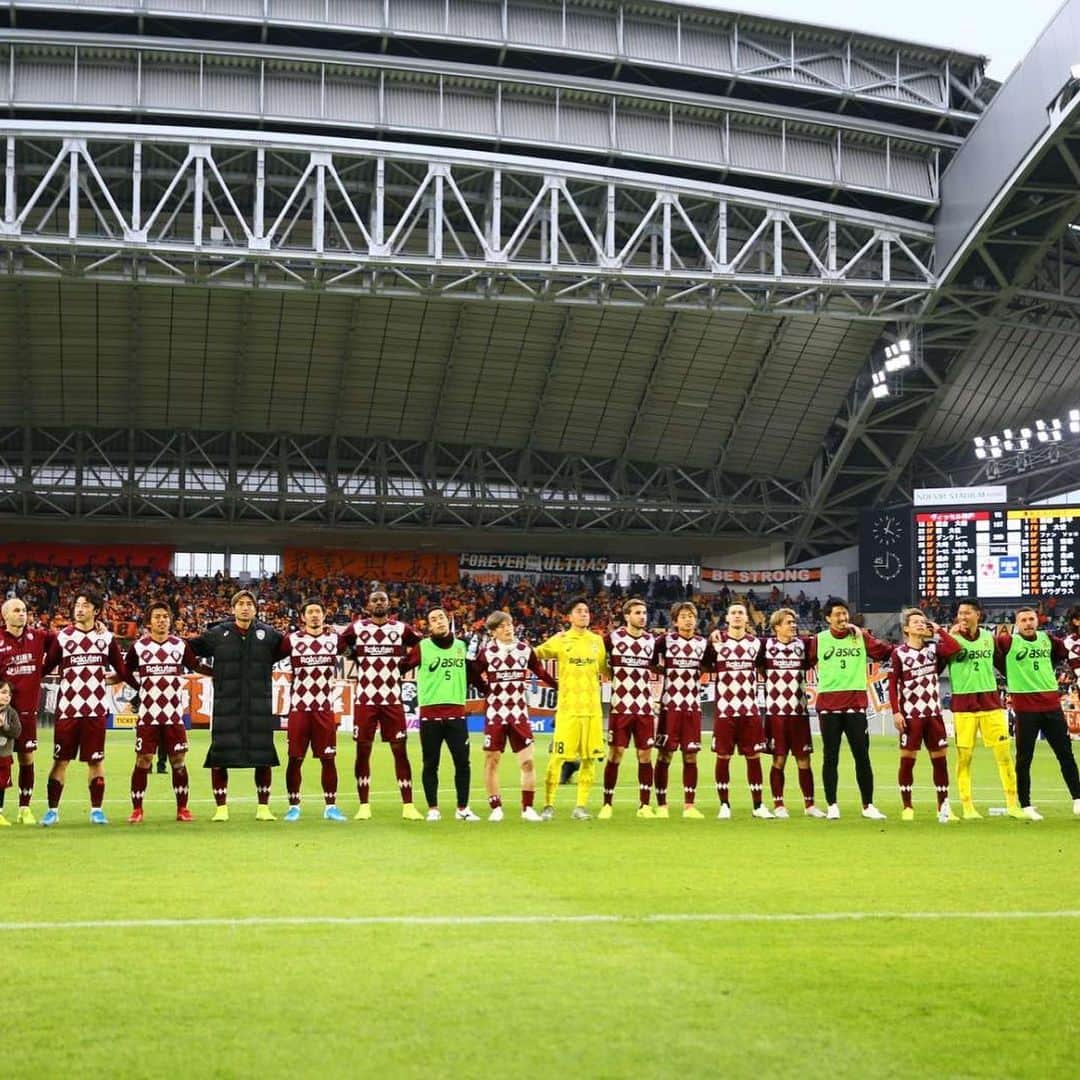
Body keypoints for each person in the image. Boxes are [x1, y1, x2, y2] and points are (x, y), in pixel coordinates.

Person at [189, 589, 284, 822]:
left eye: (249, 604)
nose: (245, 607)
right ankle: (221, 808)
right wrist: (203, 670)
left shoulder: (269, 634)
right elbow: (185, 649)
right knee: (220, 757)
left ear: (255, 609)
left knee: (263, 756)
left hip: (259, 706)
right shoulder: (217, 634)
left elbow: (292, 647)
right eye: (240, 603)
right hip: (226, 705)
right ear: (233, 609)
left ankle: (263, 807)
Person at [41, 588, 127, 827]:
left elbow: (121, 670)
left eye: (85, 604)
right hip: (68, 709)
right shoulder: (64, 636)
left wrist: (111, 679)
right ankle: (52, 810)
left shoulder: (106, 638)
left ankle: (96, 810)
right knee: (60, 761)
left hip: (95, 710)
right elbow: (46, 668)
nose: (79, 608)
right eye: (77, 604)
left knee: (95, 761)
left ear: (96, 611)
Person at [338, 589, 423, 821]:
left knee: (399, 750)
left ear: (389, 603)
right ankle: (364, 804)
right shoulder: (357, 627)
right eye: (374, 600)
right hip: (366, 698)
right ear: (368, 605)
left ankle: (408, 805)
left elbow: (422, 647)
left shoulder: (400, 628)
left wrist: (406, 665)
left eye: (382, 600)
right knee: (363, 750)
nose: (378, 603)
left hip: (392, 699)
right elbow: (339, 643)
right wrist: (352, 655)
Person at [807, 598, 890, 820]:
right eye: (837, 614)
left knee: (862, 756)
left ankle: (868, 805)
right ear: (827, 618)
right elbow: (799, 659)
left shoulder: (860, 637)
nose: (843, 618)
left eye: (845, 614)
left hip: (855, 705)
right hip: (829, 706)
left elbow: (885, 652)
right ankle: (832, 805)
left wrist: (864, 634)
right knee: (830, 757)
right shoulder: (818, 640)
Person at [995, 607, 1080, 821]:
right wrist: (1010, 673)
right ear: (1016, 623)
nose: (1028, 623)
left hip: (1051, 704)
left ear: (1037, 621)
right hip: (1025, 709)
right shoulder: (1008, 642)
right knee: (1024, 758)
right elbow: (993, 656)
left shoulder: (1048, 639)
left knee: (1066, 754)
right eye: (1023, 620)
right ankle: (1026, 804)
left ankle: (1078, 799)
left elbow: (1062, 654)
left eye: (1031, 619)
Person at [124, 600, 205, 823]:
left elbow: (196, 666)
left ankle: (182, 809)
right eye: (157, 617)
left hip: (173, 714)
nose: (162, 620)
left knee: (178, 760)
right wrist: (135, 687)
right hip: (148, 715)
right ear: (149, 622)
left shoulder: (180, 645)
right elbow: (125, 671)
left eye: (165, 617)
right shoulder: (139, 647)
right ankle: (137, 809)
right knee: (144, 760)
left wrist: (220, 673)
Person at [473, 611, 553, 821]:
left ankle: (527, 808)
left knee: (528, 763)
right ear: (492, 632)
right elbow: (472, 673)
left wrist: (558, 685)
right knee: (492, 761)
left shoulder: (524, 650)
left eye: (509, 624)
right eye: (502, 626)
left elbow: (541, 672)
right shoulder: (487, 652)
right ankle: (496, 807)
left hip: (519, 713)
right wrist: (485, 689)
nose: (508, 629)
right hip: (496, 714)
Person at [402, 608, 480, 821]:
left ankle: (463, 808)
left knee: (463, 763)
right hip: (430, 715)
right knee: (430, 763)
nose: (439, 621)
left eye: (442, 617)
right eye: (434, 619)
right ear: (429, 626)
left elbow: (473, 674)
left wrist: (490, 692)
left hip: (457, 713)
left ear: (449, 620)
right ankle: (433, 808)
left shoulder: (462, 646)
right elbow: (401, 666)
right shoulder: (423, 647)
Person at [946, 598, 1021, 819]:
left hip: (991, 704)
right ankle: (968, 807)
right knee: (964, 758)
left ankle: (1012, 804)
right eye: (960, 613)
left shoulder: (989, 638)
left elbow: (1003, 665)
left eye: (968, 612)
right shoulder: (952, 639)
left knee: (1005, 755)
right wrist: (949, 637)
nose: (963, 617)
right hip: (963, 707)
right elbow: (939, 663)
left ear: (978, 615)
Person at [534, 596, 608, 820]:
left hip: (592, 711)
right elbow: (533, 655)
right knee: (557, 758)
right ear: (569, 616)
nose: (584, 614)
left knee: (589, 759)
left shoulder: (598, 641)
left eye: (586, 610)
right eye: (578, 611)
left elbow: (606, 671)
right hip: (568, 710)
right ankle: (548, 806)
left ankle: (581, 807)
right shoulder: (560, 640)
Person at [889, 609, 962, 823]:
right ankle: (907, 806)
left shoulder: (933, 649)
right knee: (907, 761)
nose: (921, 625)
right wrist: (896, 712)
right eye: (916, 622)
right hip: (911, 715)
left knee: (940, 762)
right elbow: (892, 686)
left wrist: (939, 630)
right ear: (906, 628)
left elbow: (955, 648)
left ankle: (943, 806)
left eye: (924, 622)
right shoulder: (899, 653)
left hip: (933, 714)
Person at [279, 599, 346, 822]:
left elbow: (357, 654)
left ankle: (331, 807)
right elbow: (269, 658)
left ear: (324, 615)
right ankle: (294, 806)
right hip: (299, 708)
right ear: (303, 616)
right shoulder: (292, 640)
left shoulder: (335, 640)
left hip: (324, 708)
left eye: (318, 611)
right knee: (295, 758)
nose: (315, 615)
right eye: (310, 612)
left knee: (328, 759)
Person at [652, 601, 715, 819]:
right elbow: (650, 659)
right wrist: (661, 669)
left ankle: (689, 805)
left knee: (691, 757)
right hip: (670, 705)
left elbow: (710, 664)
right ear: (675, 620)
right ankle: (662, 805)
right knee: (665, 755)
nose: (688, 619)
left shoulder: (702, 643)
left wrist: (699, 671)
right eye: (684, 616)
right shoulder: (666, 640)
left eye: (691, 616)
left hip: (692, 706)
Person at [760, 608, 824, 818]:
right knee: (778, 760)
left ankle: (810, 805)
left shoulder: (803, 645)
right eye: (789, 622)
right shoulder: (765, 645)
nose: (794, 625)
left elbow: (823, 642)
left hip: (799, 713)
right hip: (775, 713)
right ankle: (779, 805)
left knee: (804, 759)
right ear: (777, 626)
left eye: (794, 622)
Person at [710, 602, 771, 819]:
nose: (737, 616)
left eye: (741, 613)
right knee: (723, 756)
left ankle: (758, 806)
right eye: (733, 613)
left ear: (747, 619)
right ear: (726, 618)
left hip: (749, 710)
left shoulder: (757, 643)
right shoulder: (716, 642)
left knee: (754, 756)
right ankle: (724, 805)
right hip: (725, 711)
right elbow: (705, 665)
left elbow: (766, 667)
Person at [599, 597, 658, 819]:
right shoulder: (612, 638)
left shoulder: (651, 640)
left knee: (645, 755)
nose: (642, 616)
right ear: (627, 616)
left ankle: (644, 805)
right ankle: (607, 804)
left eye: (644, 612)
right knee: (616, 753)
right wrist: (608, 673)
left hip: (644, 707)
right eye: (637, 613)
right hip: (620, 707)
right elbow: (596, 657)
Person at [0, 597, 56, 823]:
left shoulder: (39, 636)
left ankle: (25, 808)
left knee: (27, 759)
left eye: (24, 610)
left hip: (27, 714)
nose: (22, 614)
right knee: (1, 762)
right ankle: (0, 810)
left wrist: (95, 626)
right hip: (4, 714)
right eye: (16, 610)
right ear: (5, 616)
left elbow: (65, 641)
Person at [0, 680, 21, 826]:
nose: (7, 696)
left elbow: (17, 732)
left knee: (1, 785)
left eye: (9, 693)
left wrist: (4, 726)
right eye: (3, 692)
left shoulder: (11, 713)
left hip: (4, 756)